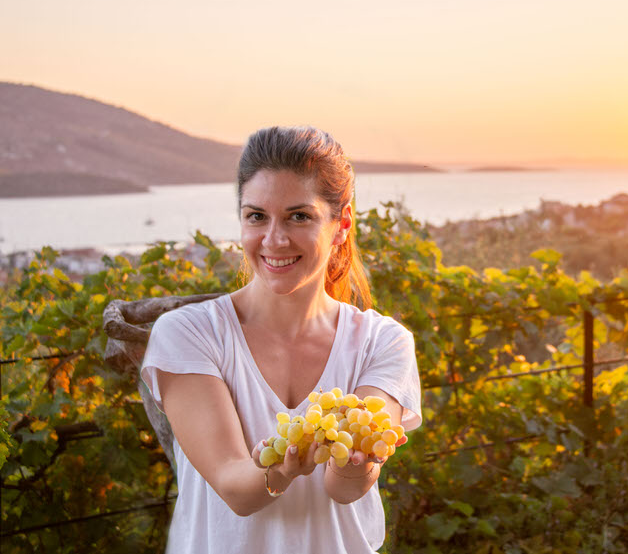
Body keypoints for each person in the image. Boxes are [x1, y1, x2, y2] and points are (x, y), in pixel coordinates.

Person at [140, 126, 422, 553]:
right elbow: (235, 486)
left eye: (299, 216)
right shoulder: (188, 334)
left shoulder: (383, 342)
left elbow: (345, 489)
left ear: (341, 224)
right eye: (257, 216)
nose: (274, 239)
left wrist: (359, 461)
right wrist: (283, 468)